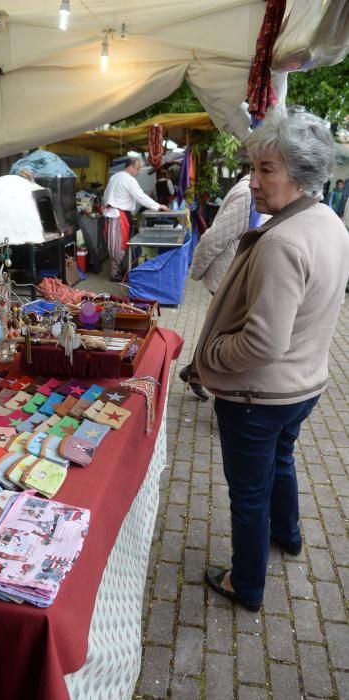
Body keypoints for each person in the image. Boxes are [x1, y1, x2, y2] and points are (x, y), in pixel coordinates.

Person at [189, 107, 349, 612]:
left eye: (267, 170)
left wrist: (210, 354)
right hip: (303, 387)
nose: (253, 181)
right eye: (253, 168)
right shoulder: (328, 221)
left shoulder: (281, 240)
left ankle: (247, 584)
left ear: (300, 175)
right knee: (282, 461)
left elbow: (261, 344)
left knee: (248, 494)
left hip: (260, 395)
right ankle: (290, 535)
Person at [179, 172, 267, 401]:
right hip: (227, 275)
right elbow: (217, 236)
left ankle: (195, 372)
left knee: (220, 327)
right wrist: (196, 271)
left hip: (234, 273)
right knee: (228, 331)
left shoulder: (251, 190)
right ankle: (204, 376)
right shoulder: (248, 193)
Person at [103, 158, 169, 282]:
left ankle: (118, 271)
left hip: (112, 214)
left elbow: (106, 195)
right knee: (118, 246)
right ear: (130, 167)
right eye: (138, 168)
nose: (138, 172)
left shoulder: (115, 177)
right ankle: (115, 274)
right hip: (118, 215)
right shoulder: (129, 179)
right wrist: (158, 206)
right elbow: (140, 196)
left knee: (115, 245)